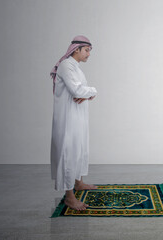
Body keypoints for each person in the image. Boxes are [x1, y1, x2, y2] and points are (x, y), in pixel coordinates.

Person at [50, 35, 98, 211]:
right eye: (87, 50)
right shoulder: (66, 65)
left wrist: (88, 93)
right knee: (69, 152)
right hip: (68, 119)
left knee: (79, 148)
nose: (88, 54)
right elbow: (76, 89)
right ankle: (69, 197)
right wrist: (92, 91)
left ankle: (78, 183)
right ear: (76, 49)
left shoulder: (76, 67)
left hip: (78, 116)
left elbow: (82, 92)